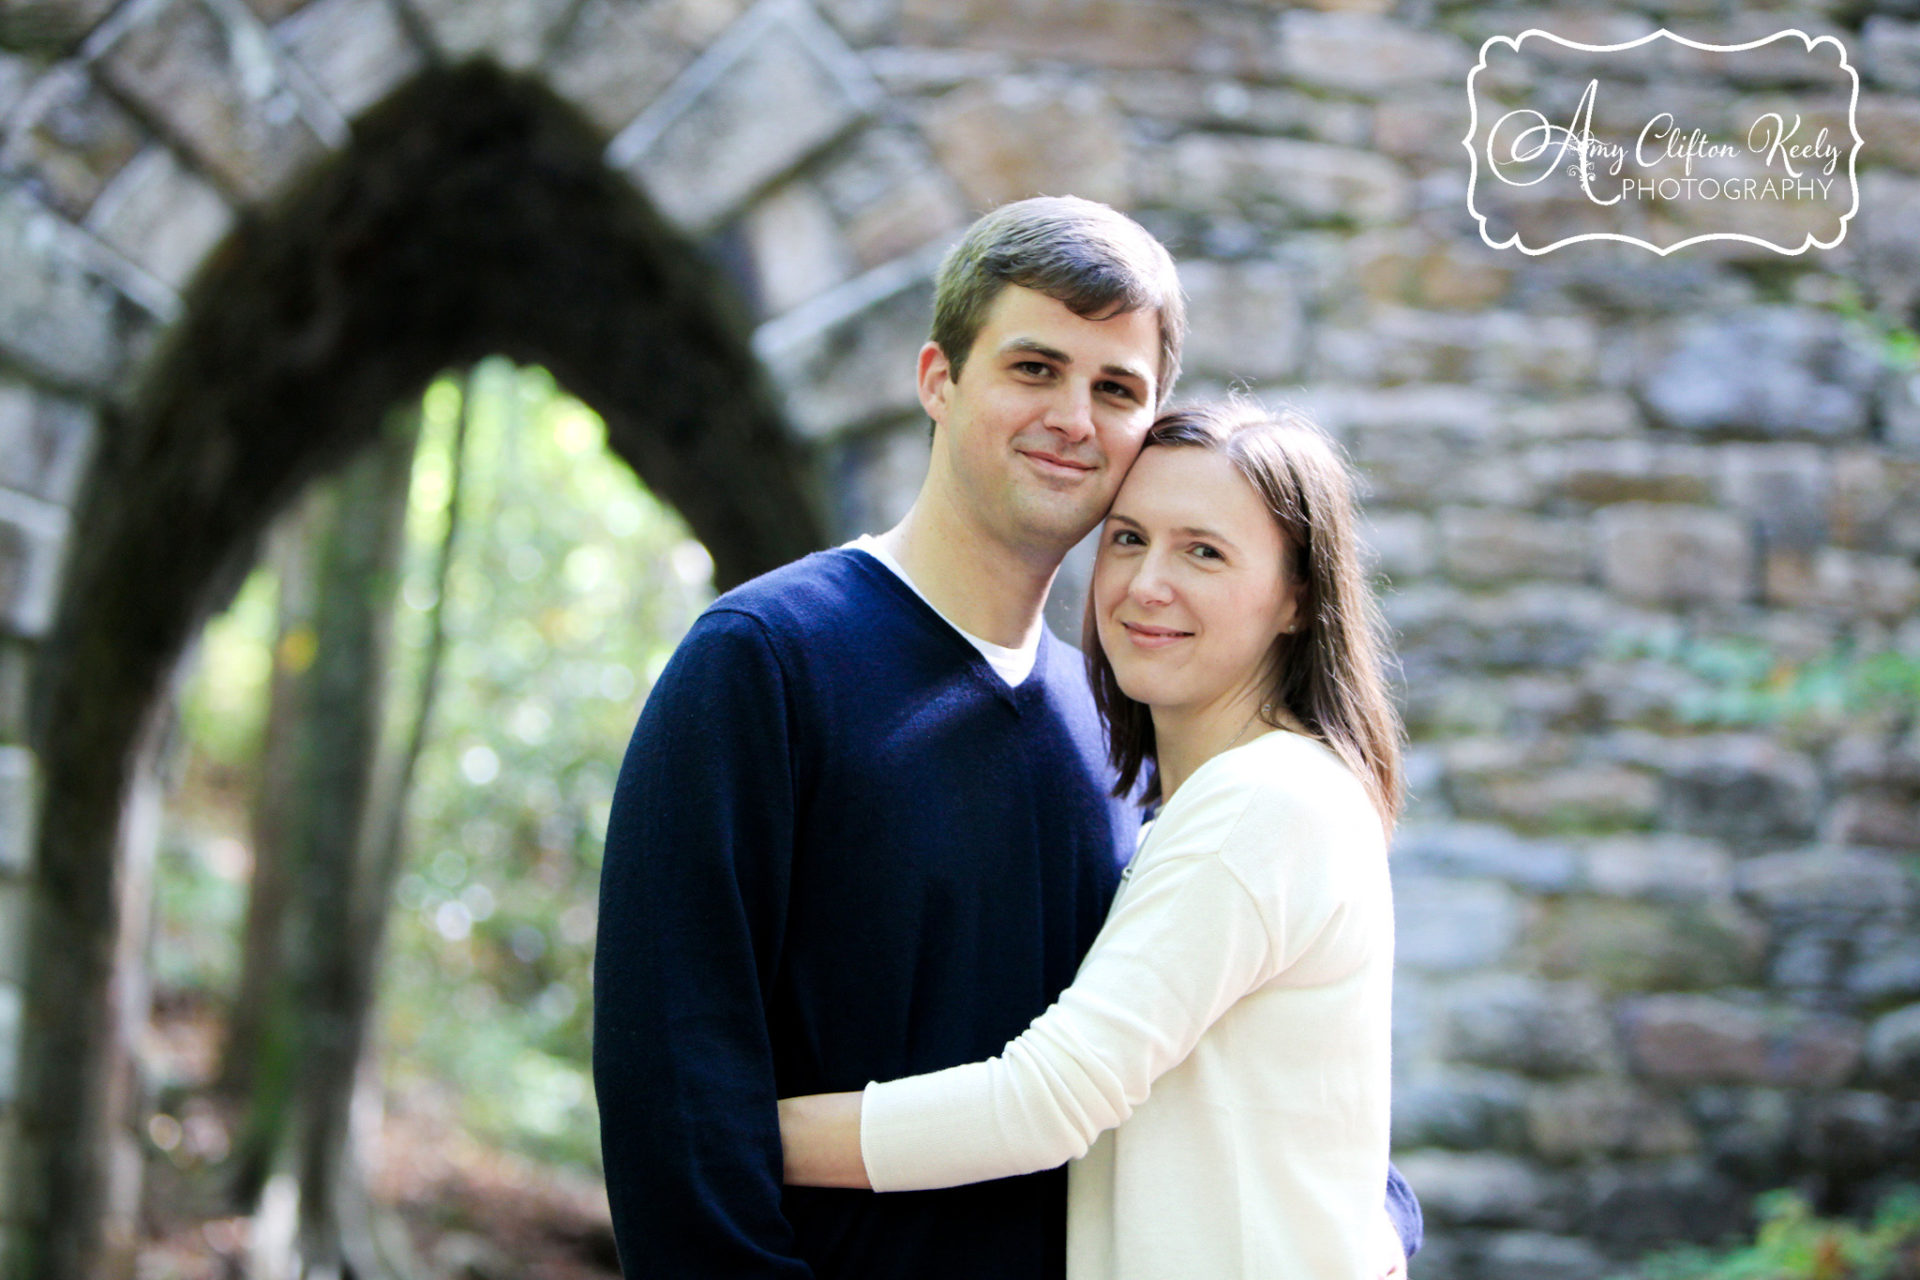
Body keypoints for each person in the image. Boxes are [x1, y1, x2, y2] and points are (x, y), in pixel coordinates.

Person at [593, 196, 1420, 1278]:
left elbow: (1237, 1079)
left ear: (1149, 424)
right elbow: (676, 1088)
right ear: (938, 378)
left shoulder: (1118, 729)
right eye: (1035, 367)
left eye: (1115, 387)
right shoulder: (765, 664)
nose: (1075, 417)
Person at [777, 400, 1403, 1279]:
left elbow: (1046, 1100)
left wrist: (737, 1134)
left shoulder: (1262, 802)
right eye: (1128, 538)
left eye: (1204, 551)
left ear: (1297, 597)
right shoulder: (1232, 800)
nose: (1148, 584)